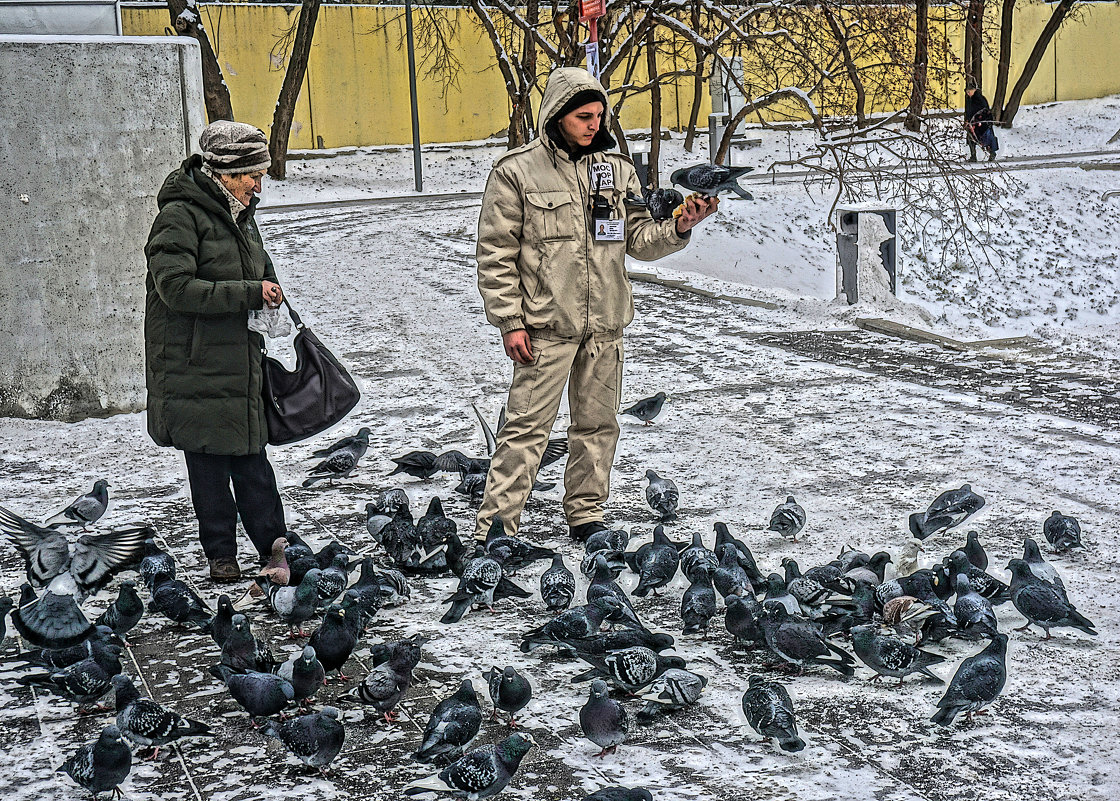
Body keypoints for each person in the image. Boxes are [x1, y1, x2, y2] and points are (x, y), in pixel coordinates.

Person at [474, 67, 719, 543]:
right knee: (526, 431)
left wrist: (682, 225)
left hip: (606, 326)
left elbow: (638, 240)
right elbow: (495, 255)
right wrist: (509, 321)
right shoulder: (516, 173)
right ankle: (497, 529)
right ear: (557, 115)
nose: (593, 124)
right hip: (545, 328)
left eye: (599, 115)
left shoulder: (615, 170)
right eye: (583, 116)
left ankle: (586, 516)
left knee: (598, 427)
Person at [144, 121, 287, 581]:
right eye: (252, 175)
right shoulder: (180, 216)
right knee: (209, 466)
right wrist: (249, 292)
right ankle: (221, 556)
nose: (258, 184)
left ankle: (275, 549)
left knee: (252, 460)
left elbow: (256, 269)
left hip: (238, 359)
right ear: (226, 173)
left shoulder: (240, 214)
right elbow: (175, 288)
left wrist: (269, 291)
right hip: (194, 365)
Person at [965, 80, 999, 162]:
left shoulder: (980, 99)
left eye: (969, 91)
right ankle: (973, 156)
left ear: (974, 90)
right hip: (972, 123)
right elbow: (968, 111)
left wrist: (981, 118)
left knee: (985, 138)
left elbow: (985, 110)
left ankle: (992, 153)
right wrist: (967, 120)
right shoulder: (969, 100)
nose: (968, 93)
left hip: (982, 123)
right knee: (970, 138)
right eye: (967, 91)